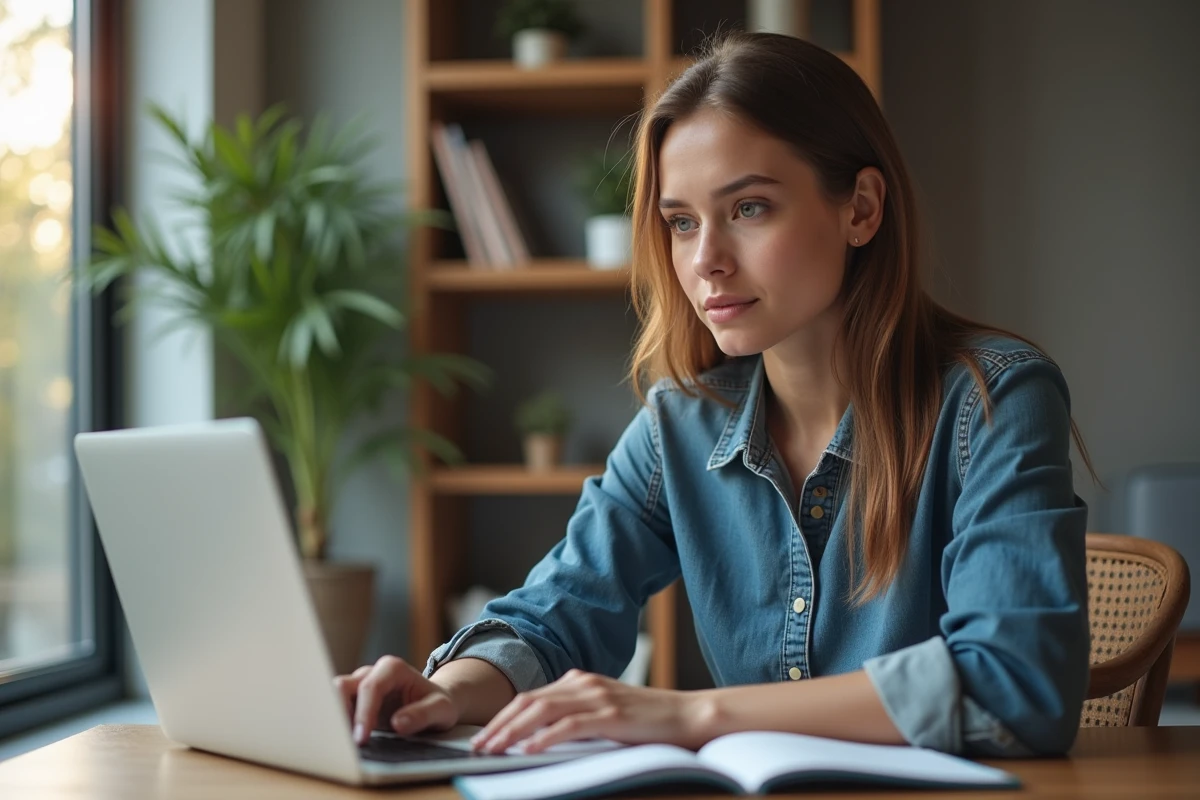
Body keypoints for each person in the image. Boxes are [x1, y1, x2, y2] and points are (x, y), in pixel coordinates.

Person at [337, 31, 1095, 759]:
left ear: (861, 209)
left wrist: (693, 714)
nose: (706, 260)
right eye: (680, 222)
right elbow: (556, 614)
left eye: (749, 208)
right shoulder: (682, 421)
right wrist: (442, 694)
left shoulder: (994, 400)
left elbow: (1017, 682)